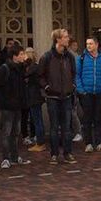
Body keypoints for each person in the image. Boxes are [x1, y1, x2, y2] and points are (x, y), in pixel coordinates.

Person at [38, 29, 78, 164]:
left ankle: (68, 153)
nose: (68, 39)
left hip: (67, 96)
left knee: (67, 127)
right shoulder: (47, 57)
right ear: (58, 40)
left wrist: (72, 86)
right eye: (65, 37)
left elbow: (73, 73)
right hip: (53, 98)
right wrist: (47, 88)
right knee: (54, 127)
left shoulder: (70, 56)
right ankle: (54, 154)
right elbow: (40, 76)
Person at [75, 36, 101, 153]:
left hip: (100, 93)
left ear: (96, 45)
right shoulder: (81, 58)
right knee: (87, 119)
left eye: (91, 44)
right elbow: (77, 75)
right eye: (87, 44)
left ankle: (99, 143)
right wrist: (81, 90)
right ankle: (88, 143)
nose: (88, 46)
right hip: (86, 93)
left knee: (98, 119)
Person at [0, 44, 30, 169]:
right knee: (6, 132)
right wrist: (1, 101)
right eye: (21, 55)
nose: (23, 57)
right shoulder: (4, 69)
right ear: (15, 56)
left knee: (15, 132)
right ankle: (5, 158)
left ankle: (14, 156)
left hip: (17, 105)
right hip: (7, 106)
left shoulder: (20, 68)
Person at [24, 47, 46, 152]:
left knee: (37, 120)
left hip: (34, 96)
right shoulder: (36, 66)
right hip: (36, 96)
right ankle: (40, 141)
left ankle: (40, 142)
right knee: (37, 119)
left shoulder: (33, 67)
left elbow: (25, 76)